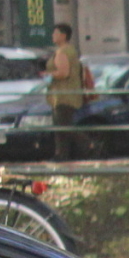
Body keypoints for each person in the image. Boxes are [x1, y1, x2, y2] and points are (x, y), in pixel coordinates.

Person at [44, 22, 91, 161]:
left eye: (56, 33)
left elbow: (64, 73)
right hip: (62, 95)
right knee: (60, 126)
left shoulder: (63, 51)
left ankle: (89, 144)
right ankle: (61, 154)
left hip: (64, 95)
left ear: (63, 36)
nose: (53, 36)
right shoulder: (69, 50)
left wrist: (48, 74)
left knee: (63, 125)